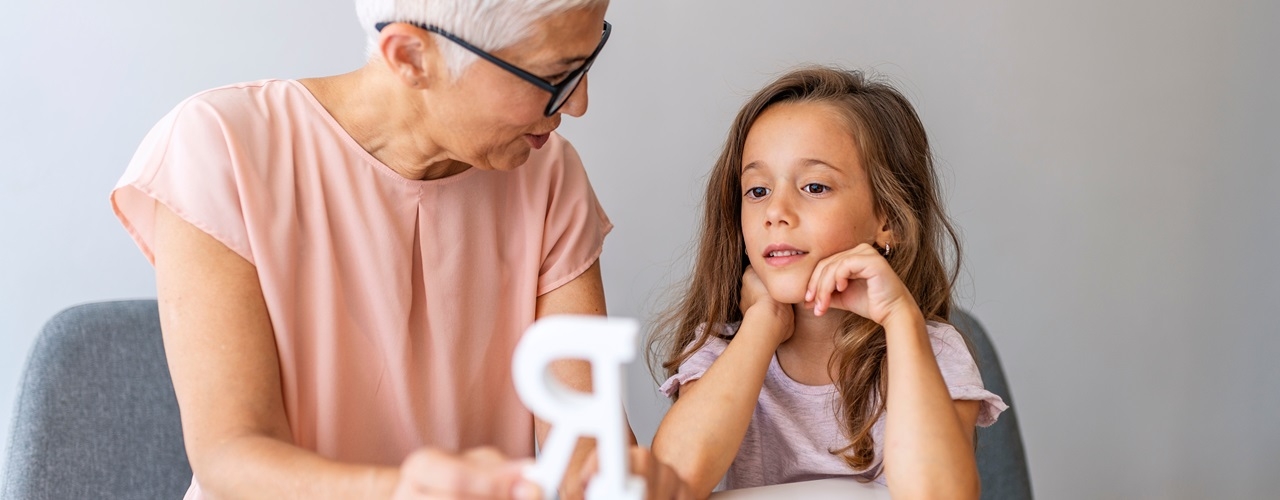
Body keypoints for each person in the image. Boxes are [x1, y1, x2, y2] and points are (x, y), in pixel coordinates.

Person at [111, 1, 689, 498]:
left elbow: (584, 444)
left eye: (587, 61)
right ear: (410, 57)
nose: (580, 104)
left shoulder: (549, 175)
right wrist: (398, 490)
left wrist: (615, 478)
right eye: (553, 75)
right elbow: (231, 457)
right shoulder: (222, 147)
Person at [648, 66, 1008, 499]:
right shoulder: (722, 351)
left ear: (888, 218)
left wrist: (899, 319)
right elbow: (671, 484)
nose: (775, 211)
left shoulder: (930, 352)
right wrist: (762, 323)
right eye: (757, 190)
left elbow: (939, 495)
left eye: (814, 186)